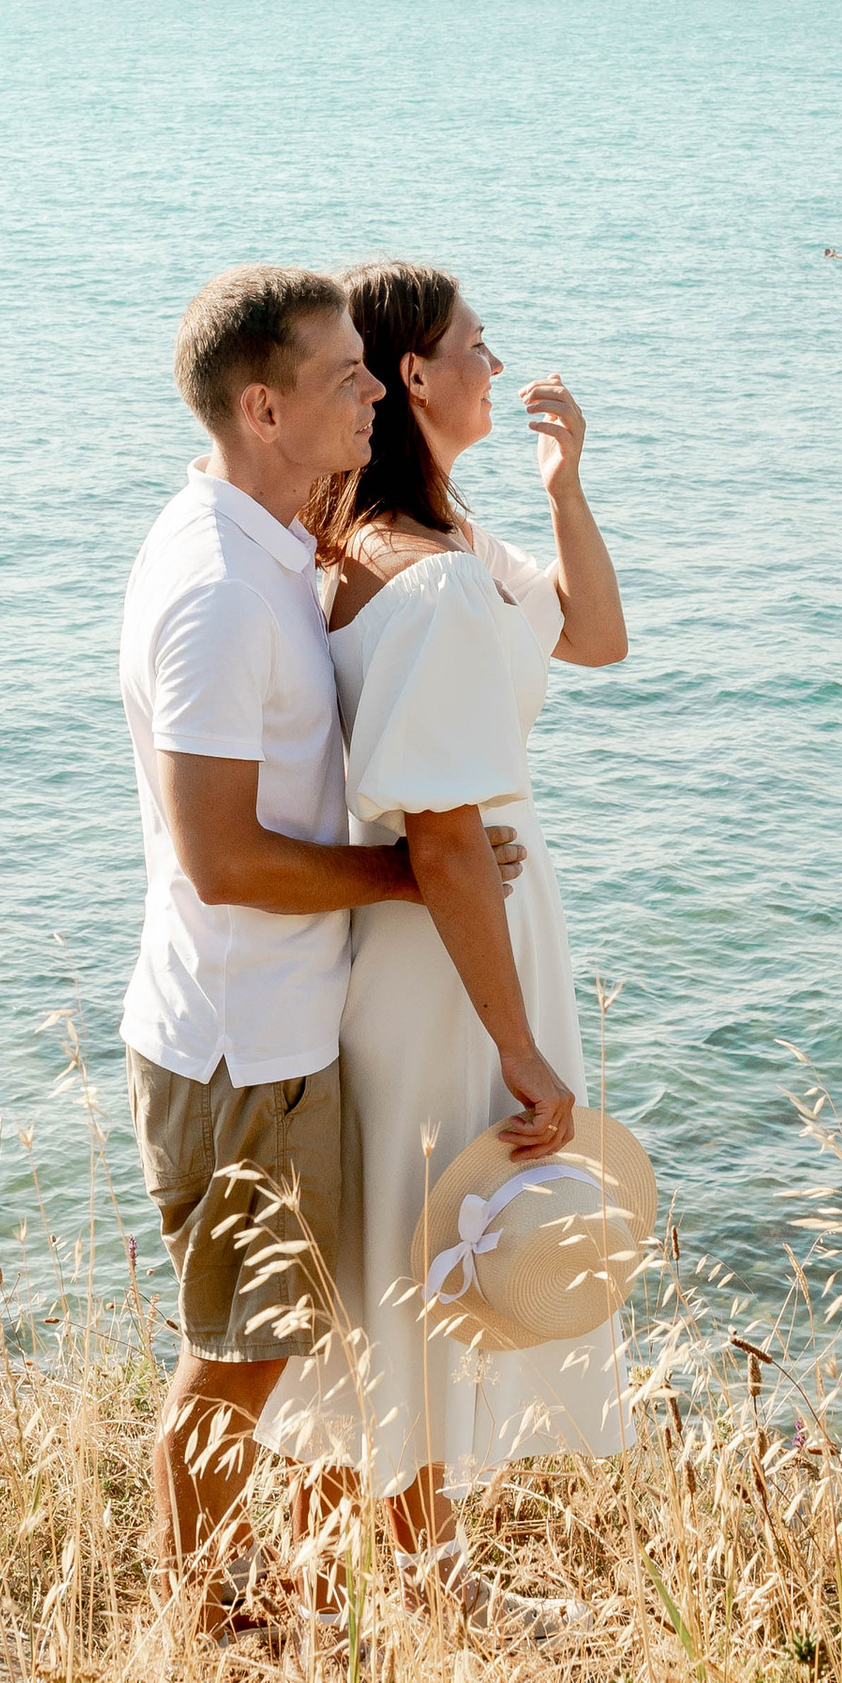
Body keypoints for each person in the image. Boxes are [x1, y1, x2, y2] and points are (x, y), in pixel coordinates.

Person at [119, 264, 519, 1631]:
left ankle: (281, 1595)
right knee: (233, 1366)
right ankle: (207, 1638)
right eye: (345, 375)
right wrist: (409, 875)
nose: (372, 390)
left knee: (297, 1349)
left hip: (282, 1025)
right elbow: (219, 855)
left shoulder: (271, 547)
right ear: (261, 408)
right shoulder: (222, 594)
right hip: (238, 1042)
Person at [262, 261, 632, 1603]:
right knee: (420, 1247)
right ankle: (398, 1574)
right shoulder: (419, 583)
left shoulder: (433, 551)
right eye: (478, 348)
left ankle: (402, 1563)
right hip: (448, 955)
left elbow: (599, 637)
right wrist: (525, 1050)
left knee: (404, 1252)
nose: (498, 365)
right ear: (413, 374)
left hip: (454, 936)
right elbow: (439, 833)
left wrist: (563, 486)